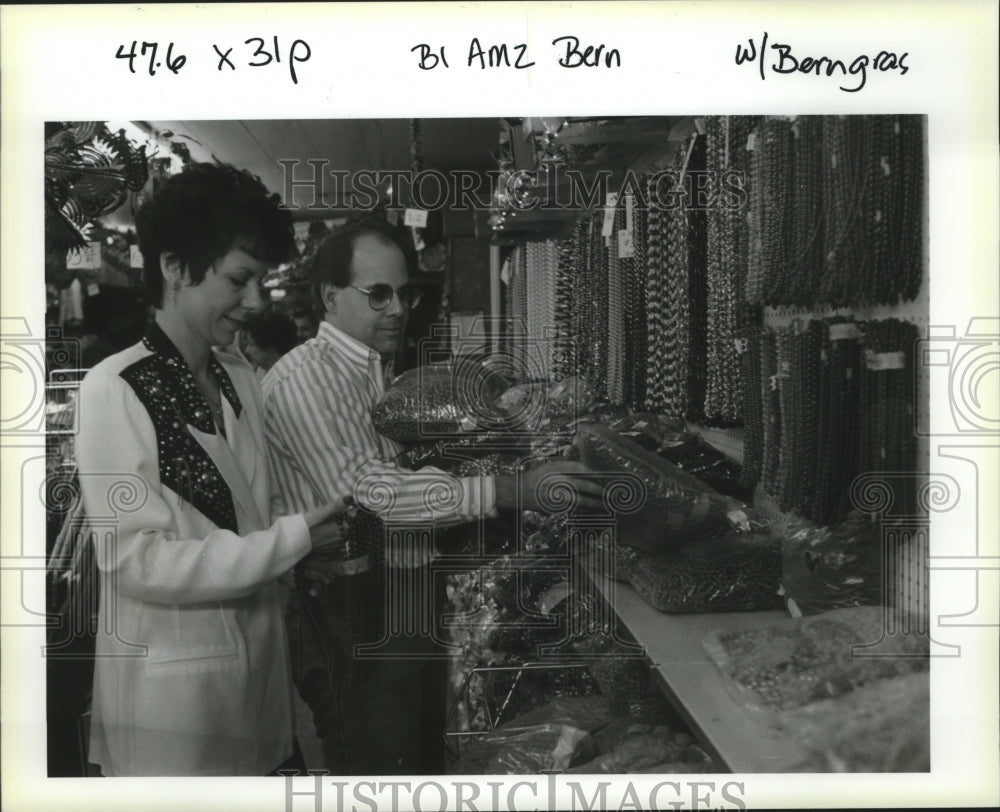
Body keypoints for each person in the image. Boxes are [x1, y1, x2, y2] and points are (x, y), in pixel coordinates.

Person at [261, 223, 605, 774]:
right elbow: (377, 496)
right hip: (352, 607)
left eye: (405, 292)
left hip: (403, 594)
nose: (397, 308)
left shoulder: (376, 374)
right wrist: (514, 489)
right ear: (330, 295)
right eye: (378, 293)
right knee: (380, 775)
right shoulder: (307, 380)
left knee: (417, 768)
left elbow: (406, 479)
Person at [73, 162, 348, 776]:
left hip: (258, 688)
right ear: (174, 268)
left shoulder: (240, 377)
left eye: (260, 282)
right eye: (238, 280)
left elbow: (256, 515)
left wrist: (300, 546)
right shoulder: (114, 389)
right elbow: (136, 559)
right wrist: (291, 540)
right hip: (173, 712)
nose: (253, 302)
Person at [242, 308, 298, 376]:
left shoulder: (287, 377)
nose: (247, 351)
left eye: (251, 344)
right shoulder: (261, 372)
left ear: (270, 348)